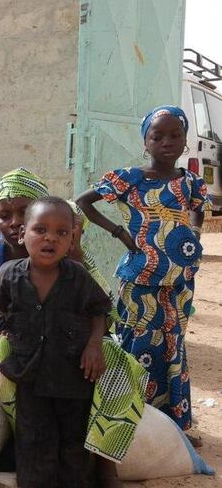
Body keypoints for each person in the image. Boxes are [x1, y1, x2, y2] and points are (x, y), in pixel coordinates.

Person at [0, 168, 141, 483]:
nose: (14, 222)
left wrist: (91, 341)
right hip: (22, 359)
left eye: (24, 211)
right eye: (5, 214)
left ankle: (105, 462)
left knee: (113, 354)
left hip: (68, 358)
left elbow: (104, 310)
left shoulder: (71, 261)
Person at [77, 105, 210, 438]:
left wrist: (193, 235)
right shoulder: (130, 178)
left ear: (184, 141)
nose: (167, 141)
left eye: (175, 134)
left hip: (179, 282)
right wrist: (120, 233)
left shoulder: (191, 181)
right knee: (135, 347)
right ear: (146, 143)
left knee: (172, 346)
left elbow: (198, 211)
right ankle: (126, 426)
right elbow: (83, 201)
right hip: (139, 281)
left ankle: (174, 427)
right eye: (158, 135)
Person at [0, 196, 110, 488]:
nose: (50, 238)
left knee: (73, 448)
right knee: (33, 444)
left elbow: (100, 310)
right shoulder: (9, 276)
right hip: (30, 377)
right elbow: (2, 306)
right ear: (23, 234)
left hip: (74, 378)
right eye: (40, 229)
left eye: (61, 232)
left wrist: (95, 344)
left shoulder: (78, 277)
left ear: (71, 240)